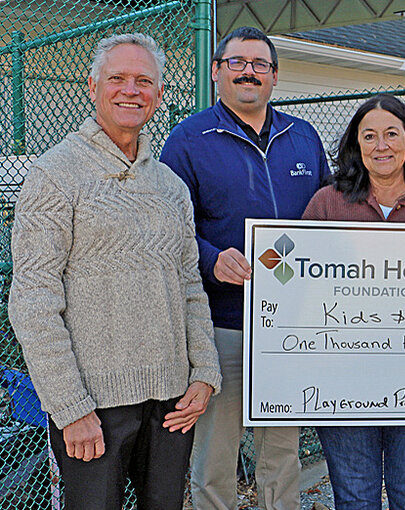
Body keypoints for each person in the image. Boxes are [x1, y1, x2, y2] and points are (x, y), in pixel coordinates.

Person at [8, 33, 221, 510]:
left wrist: (204, 372)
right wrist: (69, 407)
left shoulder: (169, 187)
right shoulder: (55, 174)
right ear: (92, 87)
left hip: (171, 403)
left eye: (144, 80)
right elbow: (33, 300)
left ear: (159, 95)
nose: (131, 90)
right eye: (118, 78)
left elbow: (190, 286)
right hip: (92, 406)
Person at [160, 26, 330, 510]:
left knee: (283, 449)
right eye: (237, 62)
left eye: (260, 64)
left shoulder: (303, 137)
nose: (248, 71)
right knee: (216, 453)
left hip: (289, 325)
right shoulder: (189, 139)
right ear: (217, 72)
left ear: (275, 76)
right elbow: (167, 227)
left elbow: (327, 215)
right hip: (223, 324)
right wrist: (212, 258)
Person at [301, 93, 405, 509]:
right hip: (342, 381)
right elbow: (296, 285)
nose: (381, 145)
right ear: (356, 145)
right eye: (369, 136)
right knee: (355, 498)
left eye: (391, 133)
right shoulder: (328, 203)